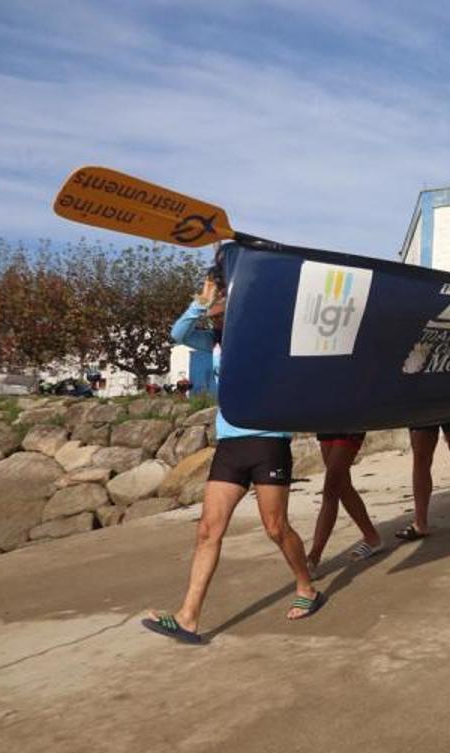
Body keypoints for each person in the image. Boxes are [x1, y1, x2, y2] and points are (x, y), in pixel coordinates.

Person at [144, 258, 323, 644]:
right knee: (208, 530)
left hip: (269, 441)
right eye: (216, 304)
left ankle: (306, 586)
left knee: (276, 528)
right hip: (230, 443)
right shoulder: (213, 340)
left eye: (223, 301)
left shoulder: (266, 336)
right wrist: (201, 302)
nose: (218, 310)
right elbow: (179, 333)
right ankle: (188, 617)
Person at [306, 432, 385, 573]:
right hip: (326, 421)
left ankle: (313, 557)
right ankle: (372, 538)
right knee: (342, 484)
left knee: (331, 486)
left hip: (350, 422)